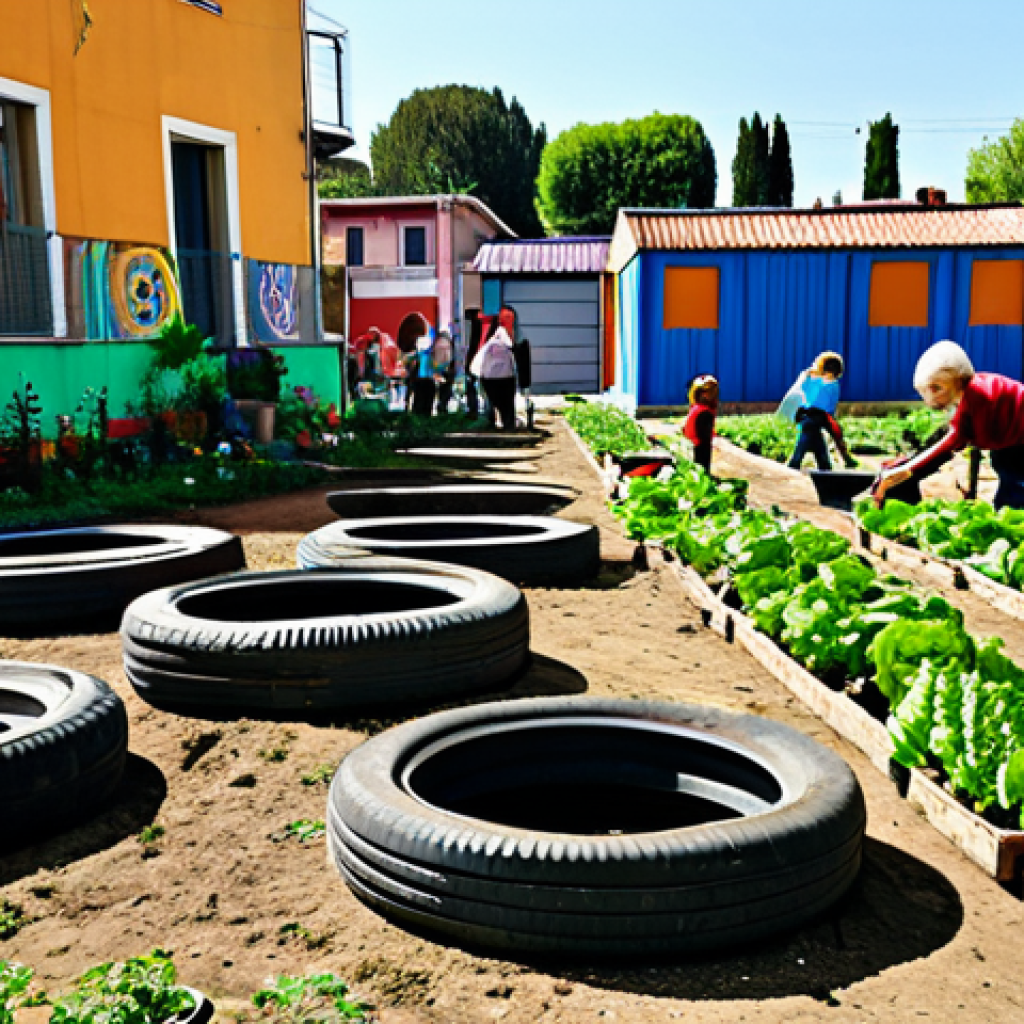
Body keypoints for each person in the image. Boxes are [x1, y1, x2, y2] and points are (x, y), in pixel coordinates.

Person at [874, 340, 1024, 509]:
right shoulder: (973, 392)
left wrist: (908, 467)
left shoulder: (978, 396)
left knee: (1014, 492)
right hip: (1010, 441)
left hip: (1018, 442)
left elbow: (957, 439)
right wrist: (908, 466)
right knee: (1007, 484)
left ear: (941, 387)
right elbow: (960, 437)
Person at [786, 351, 857, 471]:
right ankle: (831, 462)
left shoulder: (821, 383)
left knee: (808, 445)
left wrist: (808, 376)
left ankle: (802, 464)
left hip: (811, 418)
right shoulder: (830, 384)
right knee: (818, 443)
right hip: (816, 418)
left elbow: (806, 393)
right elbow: (828, 405)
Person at [470, 305, 517, 429]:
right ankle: (502, 423)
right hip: (499, 375)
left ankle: (499, 422)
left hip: (493, 375)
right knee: (502, 402)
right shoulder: (495, 333)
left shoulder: (498, 334)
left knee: (498, 401)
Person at [682, 374, 718, 473]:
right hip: (700, 445)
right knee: (702, 468)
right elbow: (704, 435)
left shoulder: (696, 408)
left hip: (693, 443)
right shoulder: (704, 412)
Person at [407, 329, 436, 416]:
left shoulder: (422, 354)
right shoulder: (421, 354)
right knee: (421, 403)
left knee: (422, 403)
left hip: (424, 381)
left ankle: (420, 419)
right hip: (423, 381)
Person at [432, 330, 454, 415]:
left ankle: (441, 406)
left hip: (437, 369)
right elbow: (449, 357)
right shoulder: (448, 344)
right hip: (446, 369)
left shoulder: (436, 344)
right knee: (446, 390)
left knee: (441, 389)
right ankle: (442, 406)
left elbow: (433, 356)